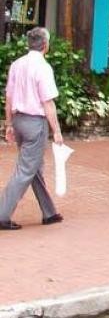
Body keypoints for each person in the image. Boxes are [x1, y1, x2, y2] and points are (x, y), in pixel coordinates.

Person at [0, 27, 64, 230]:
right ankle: (2, 214)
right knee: (26, 169)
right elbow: (48, 103)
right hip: (35, 122)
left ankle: (49, 212)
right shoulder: (43, 68)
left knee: (33, 166)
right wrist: (57, 131)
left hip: (19, 120)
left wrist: (9, 123)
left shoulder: (17, 65)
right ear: (45, 45)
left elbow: (8, 98)